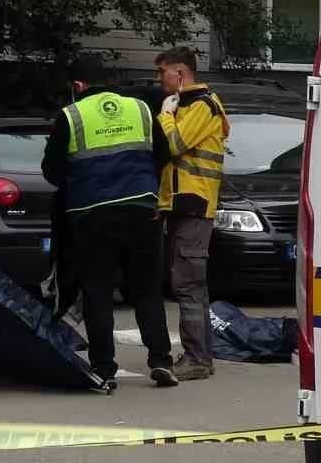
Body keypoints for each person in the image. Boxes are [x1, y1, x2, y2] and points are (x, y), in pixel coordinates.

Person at [41, 57, 178, 391]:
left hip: (93, 214)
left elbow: (52, 170)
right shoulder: (141, 109)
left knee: (98, 291)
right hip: (141, 209)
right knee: (146, 289)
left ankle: (104, 368)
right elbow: (163, 153)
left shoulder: (71, 116)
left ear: (77, 86)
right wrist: (144, 185)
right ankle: (161, 361)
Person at [154, 46, 230, 382]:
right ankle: (200, 354)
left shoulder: (201, 105)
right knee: (190, 283)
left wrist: (165, 115)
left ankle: (198, 359)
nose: (160, 79)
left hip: (195, 205)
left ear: (181, 73)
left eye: (163, 72)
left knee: (188, 284)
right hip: (185, 205)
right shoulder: (192, 105)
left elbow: (175, 145)